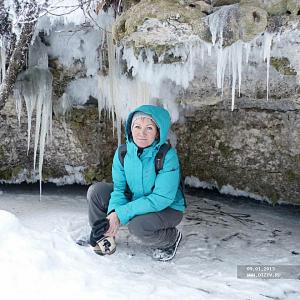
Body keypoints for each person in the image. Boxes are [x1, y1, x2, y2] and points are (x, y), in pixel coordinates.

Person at [86, 104, 186, 261]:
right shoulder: (123, 153)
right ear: (130, 129)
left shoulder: (167, 156)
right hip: (136, 199)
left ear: (158, 132)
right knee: (96, 192)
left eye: (149, 128)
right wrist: (113, 214)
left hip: (167, 208)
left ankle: (171, 238)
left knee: (138, 226)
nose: (142, 133)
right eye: (137, 126)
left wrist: (121, 214)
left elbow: (161, 198)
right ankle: (104, 234)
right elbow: (119, 190)